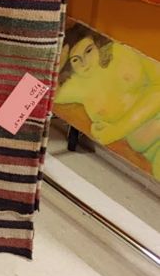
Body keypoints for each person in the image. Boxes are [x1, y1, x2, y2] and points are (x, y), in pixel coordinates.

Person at [55, 23, 160, 179]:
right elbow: (42, 91)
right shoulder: (76, 86)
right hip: (149, 147)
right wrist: (61, 59)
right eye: (76, 60)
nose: (84, 63)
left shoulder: (121, 53)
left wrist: (117, 130)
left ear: (98, 45)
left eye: (88, 51)